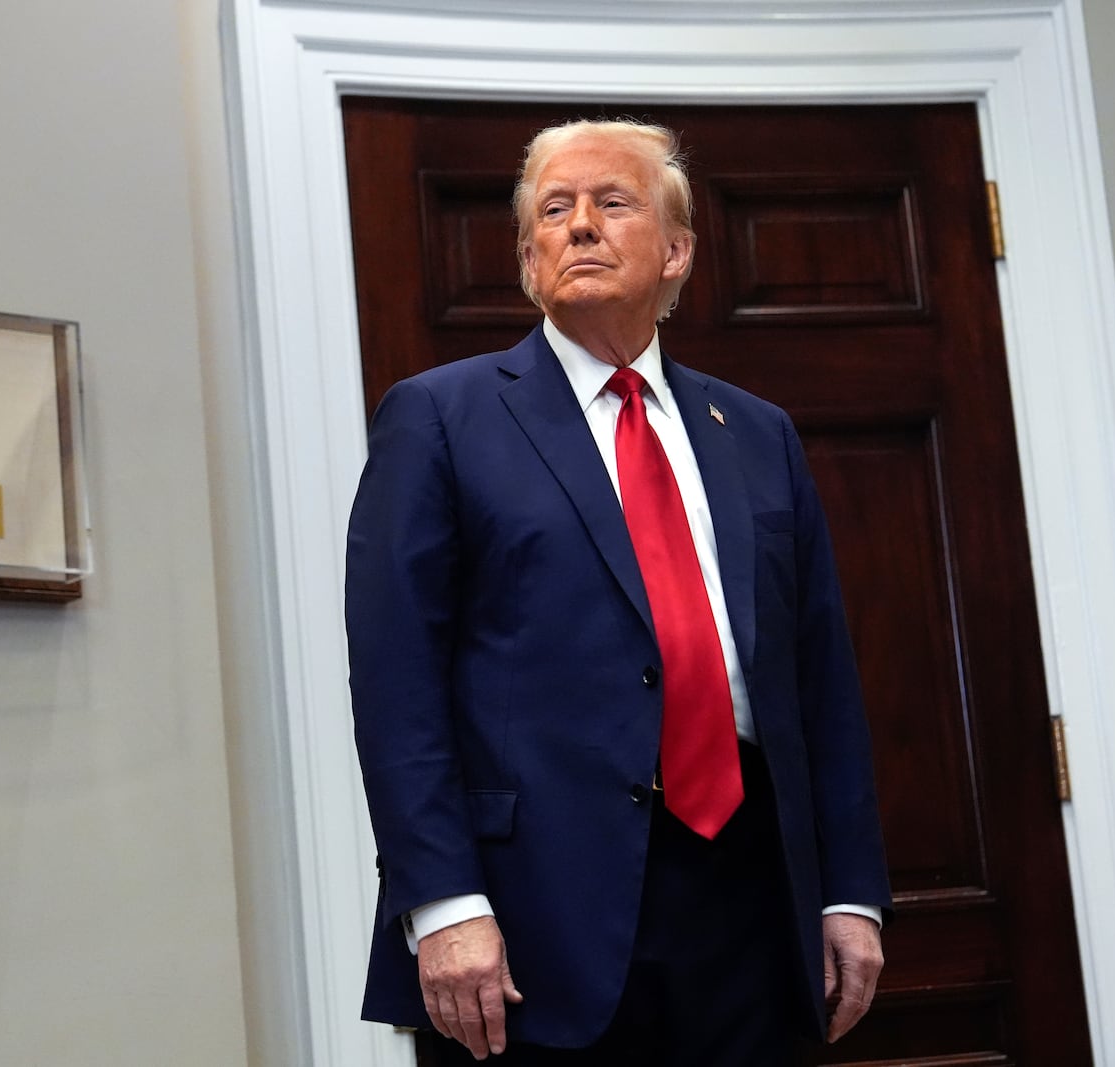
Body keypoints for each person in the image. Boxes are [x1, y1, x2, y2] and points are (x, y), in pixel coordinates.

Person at [346, 118, 891, 1065]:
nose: (580, 226)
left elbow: (820, 682)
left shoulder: (757, 432)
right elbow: (396, 685)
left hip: (749, 894)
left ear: (677, 250)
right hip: (532, 914)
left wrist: (850, 891)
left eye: (612, 202)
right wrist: (442, 903)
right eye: (554, 211)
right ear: (527, 257)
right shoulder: (440, 417)